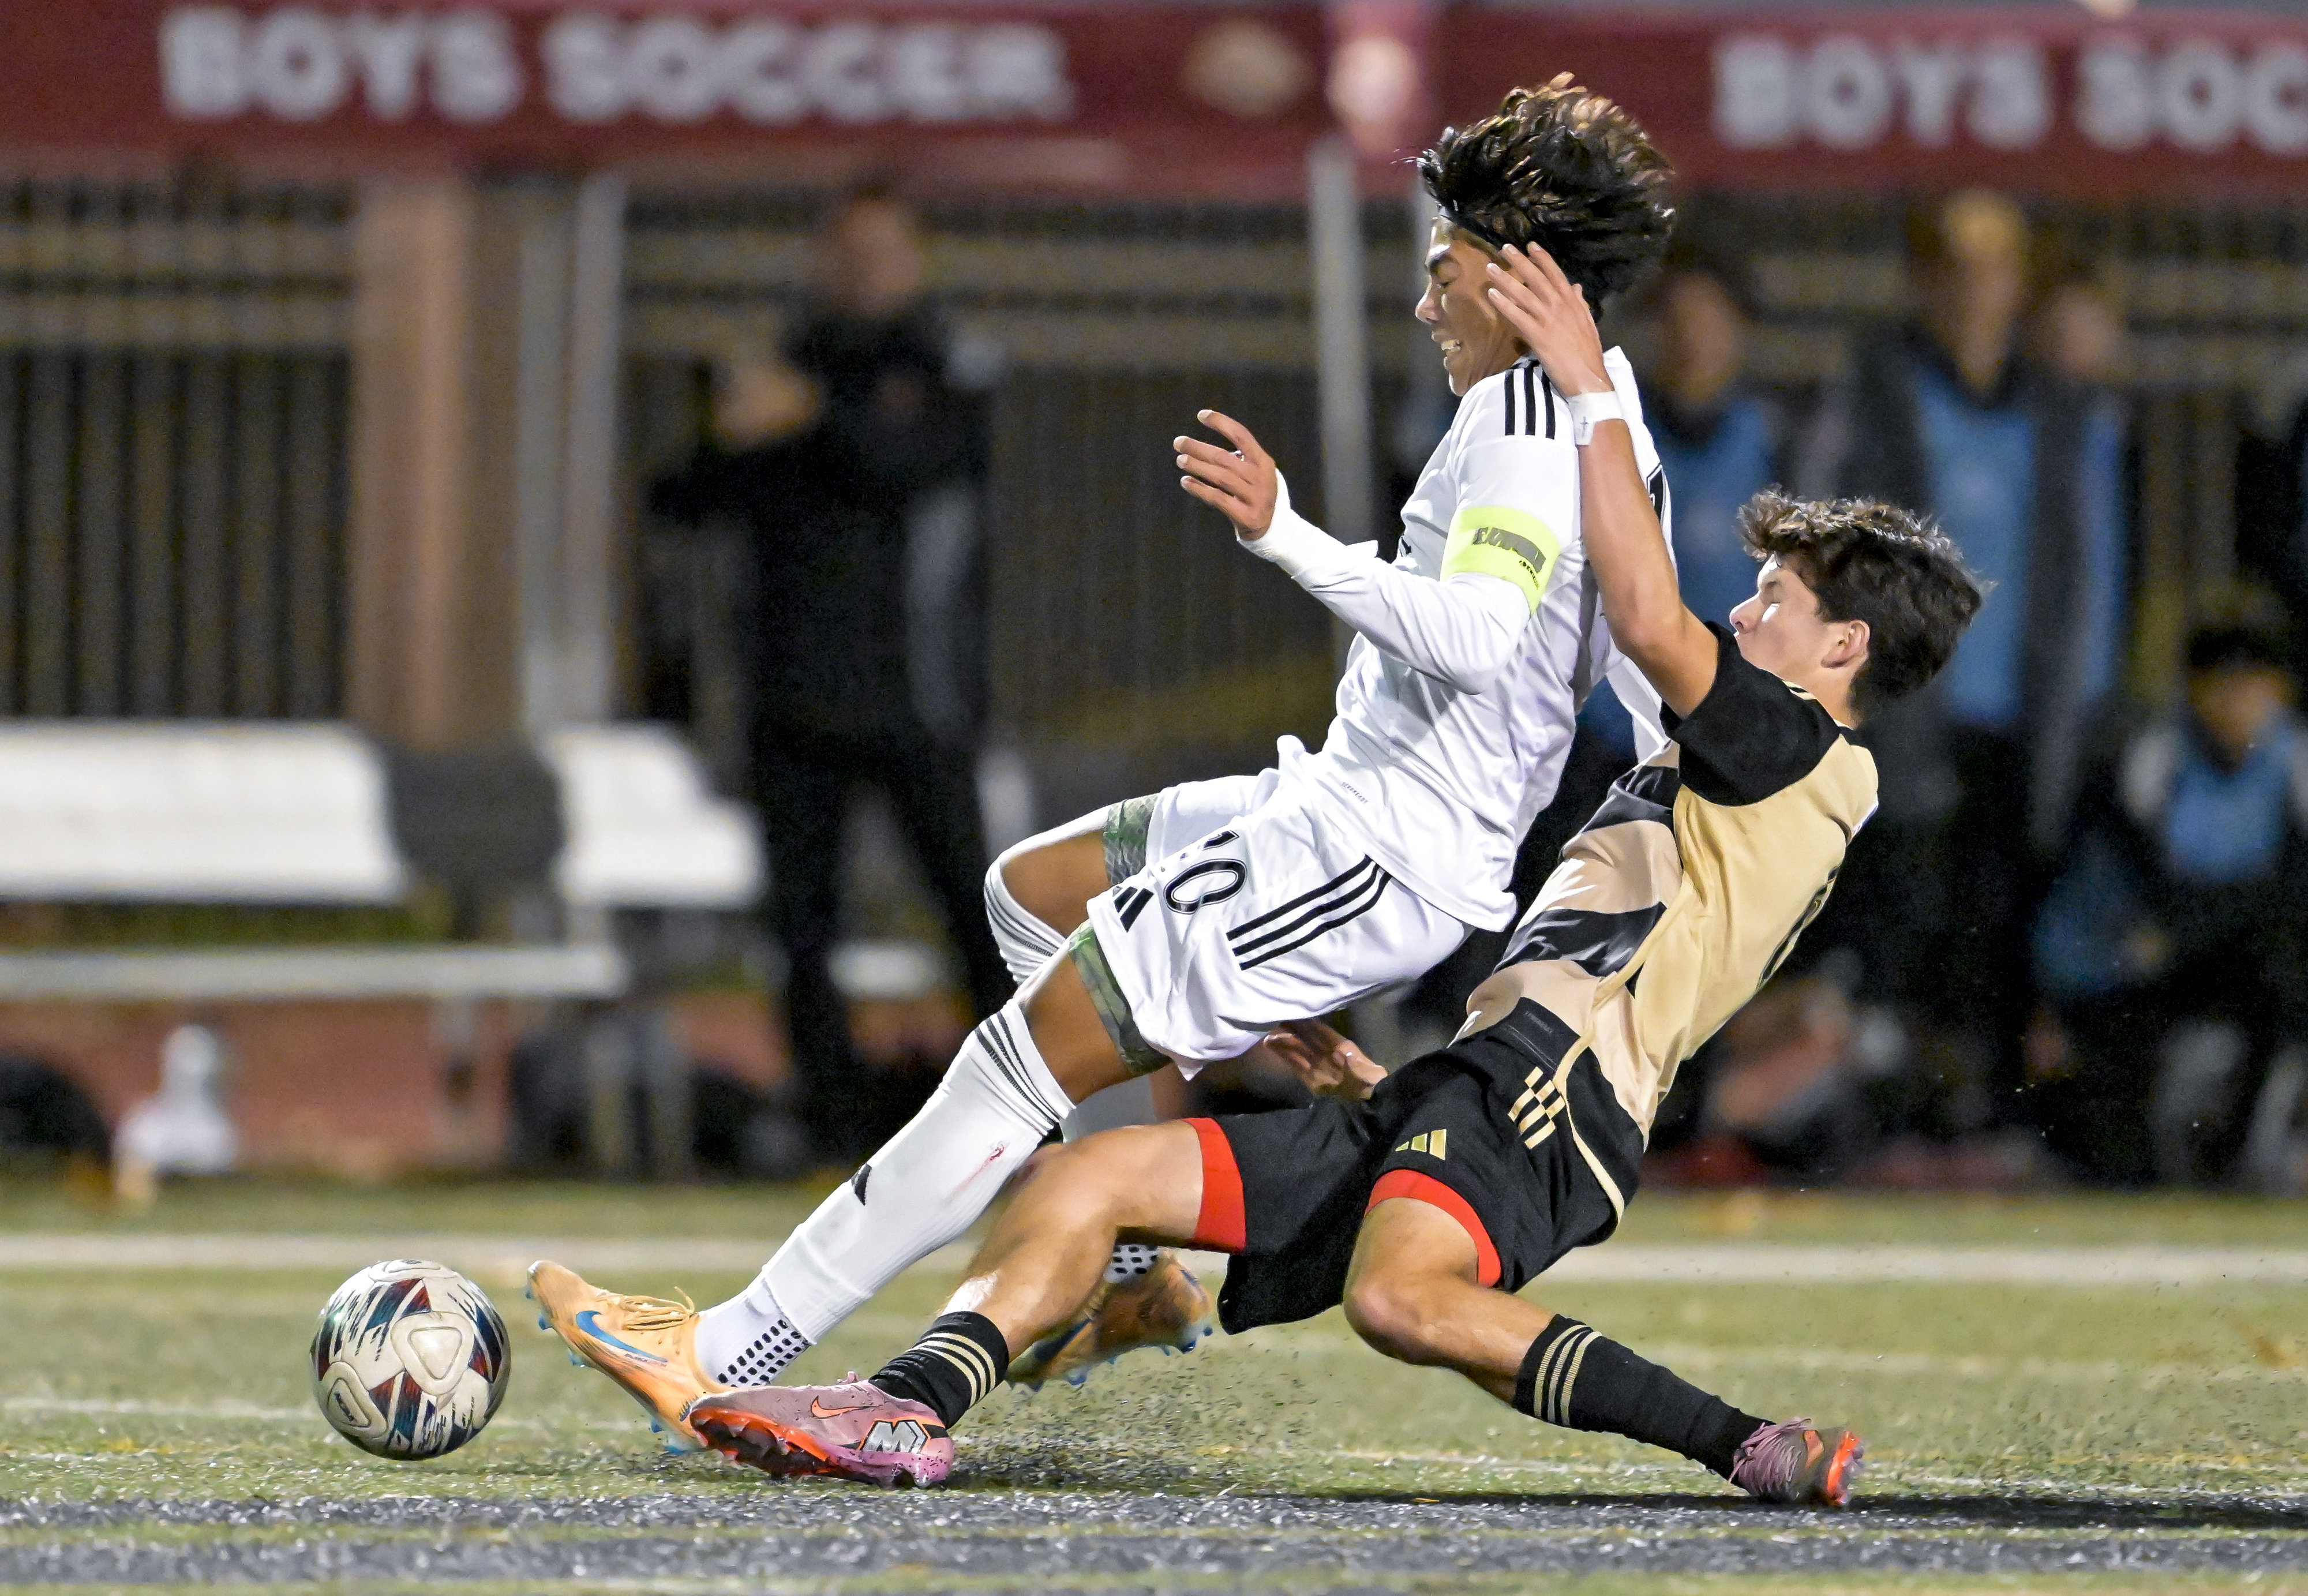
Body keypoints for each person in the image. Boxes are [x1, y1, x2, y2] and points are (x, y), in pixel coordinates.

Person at [678, 238, 1985, 1503]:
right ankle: (901, 1407)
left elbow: (1641, 616)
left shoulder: (1798, 743)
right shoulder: (1768, 749)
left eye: (1772, 602)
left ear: (1845, 648)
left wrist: (1588, 385)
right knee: (1090, 1177)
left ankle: (1746, 1444)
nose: (1741, 614)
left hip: (1548, 1109)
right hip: (1482, 1081)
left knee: (1396, 1300)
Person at [530, 75, 1678, 1444]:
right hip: (1335, 812)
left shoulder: (1528, 425)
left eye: (1444, 270)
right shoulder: (1601, 411)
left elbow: (1485, 637)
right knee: (1030, 891)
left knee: (1018, 1060)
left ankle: (725, 1344)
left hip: (1369, 850)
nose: (1428, 301)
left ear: (1514, 272)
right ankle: (1133, 1278)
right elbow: (1629, 646)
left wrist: (1288, 538)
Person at [646, 182, 1009, 1163]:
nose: (861, 272)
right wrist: (731, 431)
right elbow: (680, 497)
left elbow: (914, 461)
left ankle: (1020, 1122)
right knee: (803, 933)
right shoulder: (781, 364)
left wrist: (810, 417)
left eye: (882, 250)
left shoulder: (946, 362)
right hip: (793, 700)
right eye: (845, 251)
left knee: (977, 917)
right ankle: (834, 1124)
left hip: (918, 701)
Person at [1796, 190, 2129, 1135]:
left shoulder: (2067, 414)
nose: (1977, 291)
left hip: (2023, 723)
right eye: (1957, 269)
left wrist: (2089, 711)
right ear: (1924, 281)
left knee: (2006, 935)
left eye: (1996, 270)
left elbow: (2096, 569)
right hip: (1900, 717)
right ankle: (1893, 1122)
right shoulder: (1874, 393)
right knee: (1902, 929)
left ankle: (1991, 1123)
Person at [2029, 601, 2308, 1186]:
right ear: (2194, 690)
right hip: (2125, 958)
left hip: (2220, 947)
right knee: (2116, 1142)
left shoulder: (2293, 764)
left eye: (2255, 685)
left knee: (2281, 974)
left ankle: (2248, 1149)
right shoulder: (2150, 758)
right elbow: (2146, 897)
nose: (2241, 703)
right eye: (2224, 684)